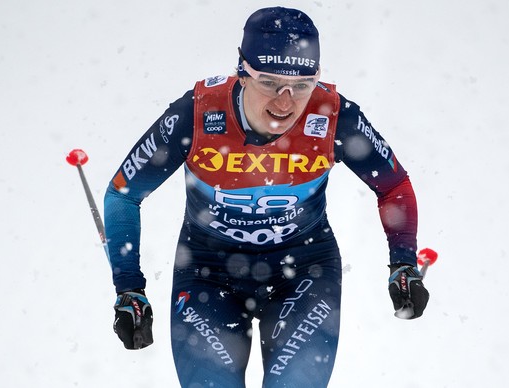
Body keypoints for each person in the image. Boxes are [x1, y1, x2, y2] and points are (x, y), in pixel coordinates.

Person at [105, 6, 429, 388]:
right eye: (270, 83)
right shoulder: (196, 113)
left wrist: (403, 264)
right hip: (209, 272)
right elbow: (123, 194)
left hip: (305, 270)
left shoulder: (334, 117)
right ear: (242, 71)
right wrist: (129, 288)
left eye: (302, 86)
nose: (285, 103)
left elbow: (393, 186)